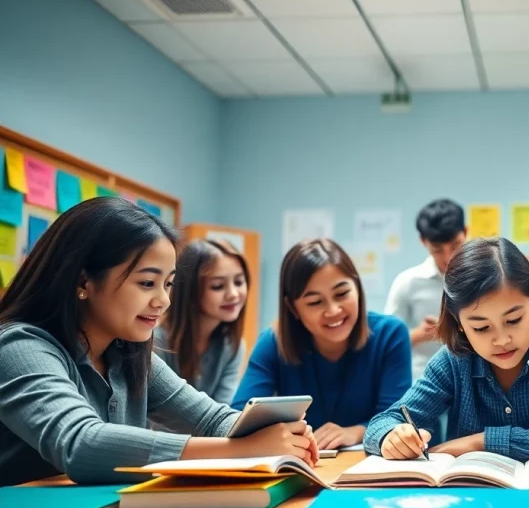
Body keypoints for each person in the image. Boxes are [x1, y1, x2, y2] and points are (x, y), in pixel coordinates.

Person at [0, 198, 315, 486]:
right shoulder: (18, 346)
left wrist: (281, 434)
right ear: (84, 281)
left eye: (168, 284)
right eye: (147, 283)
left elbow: (210, 419)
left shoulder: (128, 353)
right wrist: (244, 449)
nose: (163, 300)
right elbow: (81, 444)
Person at [363, 237, 529, 462]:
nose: (501, 339)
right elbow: (383, 423)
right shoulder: (454, 360)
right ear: (459, 323)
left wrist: (483, 441)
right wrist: (392, 436)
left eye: (513, 320)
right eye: (481, 328)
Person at [233, 238, 412, 451]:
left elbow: (396, 418)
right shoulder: (274, 342)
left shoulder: (390, 334)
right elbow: (238, 419)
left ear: (357, 286)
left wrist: (354, 432)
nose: (333, 310)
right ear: (292, 307)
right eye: (315, 302)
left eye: (342, 293)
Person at [154, 239, 249, 404]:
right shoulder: (156, 343)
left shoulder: (232, 345)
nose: (233, 294)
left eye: (239, 282)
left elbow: (225, 408)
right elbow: (155, 416)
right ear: (190, 291)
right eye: (218, 286)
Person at [385, 199, 466, 381]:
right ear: (423, 241)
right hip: (423, 382)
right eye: (437, 250)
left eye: (455, 246)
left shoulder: (483, 279)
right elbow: (386, 343)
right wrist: (419, 335)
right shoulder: (407, 282)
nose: (448, 257)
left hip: (472, 381)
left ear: (466, 232)